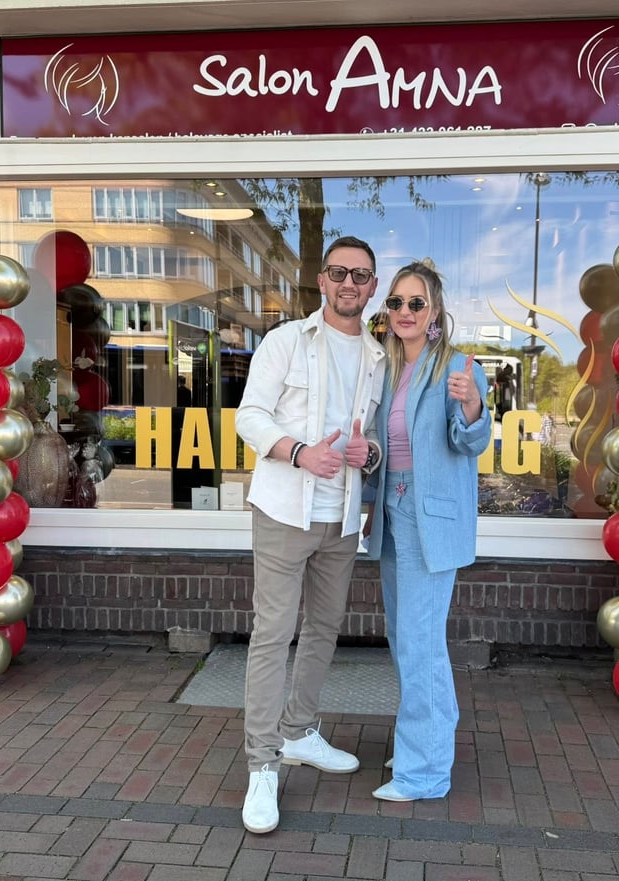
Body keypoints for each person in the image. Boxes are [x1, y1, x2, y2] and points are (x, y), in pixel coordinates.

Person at [234, 236, 386, 834]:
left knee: (323, 628)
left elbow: (370, 443)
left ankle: (298, 732)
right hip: (283, 508)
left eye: (362, 276)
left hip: (342, 517)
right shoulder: (285, 341)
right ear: (322, 281)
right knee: (272, 634)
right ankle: (262, 764)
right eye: (340, 273)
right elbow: (249, 416)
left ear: (373, 288)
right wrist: (299, 453)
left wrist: (366, 453)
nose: (350, 284)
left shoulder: (378, 357)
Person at [365, 259, 492, 802]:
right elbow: (383, 447)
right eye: (396, 303)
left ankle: (424, 772)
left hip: (430, 519)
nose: (404, 312)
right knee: (403, 639)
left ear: (435, 311)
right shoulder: (386, 367)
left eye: (415, 303)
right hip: (392, 512)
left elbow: (471, 443)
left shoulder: (459, 367)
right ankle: (423, 743)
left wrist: (471, 404)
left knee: (421, 643)